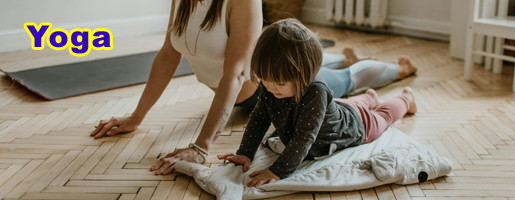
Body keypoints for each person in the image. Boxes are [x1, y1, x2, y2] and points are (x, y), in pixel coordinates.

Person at [89, 0, 417, 175]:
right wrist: (136, 118)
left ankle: (397, 70)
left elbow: (234, 75)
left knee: (349, 80)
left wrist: (202, 147)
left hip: (269, 88)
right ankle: (343, 65)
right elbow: (166, 56)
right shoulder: (184, 0)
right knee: (314, 63)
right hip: (277, 77)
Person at [217, 19, 417, 187]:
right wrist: (245, 153)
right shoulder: (272, 87)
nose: (269, 88)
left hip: (354, 125)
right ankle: (370, 97)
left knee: (383, 116)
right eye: (265, 81)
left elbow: (304, 138)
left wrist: (277, 171)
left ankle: (406, 99)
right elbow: (259, 118)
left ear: (304, 74)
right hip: (335, 109)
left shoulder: (316, 91)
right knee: (345, 105)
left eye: (278, 83)